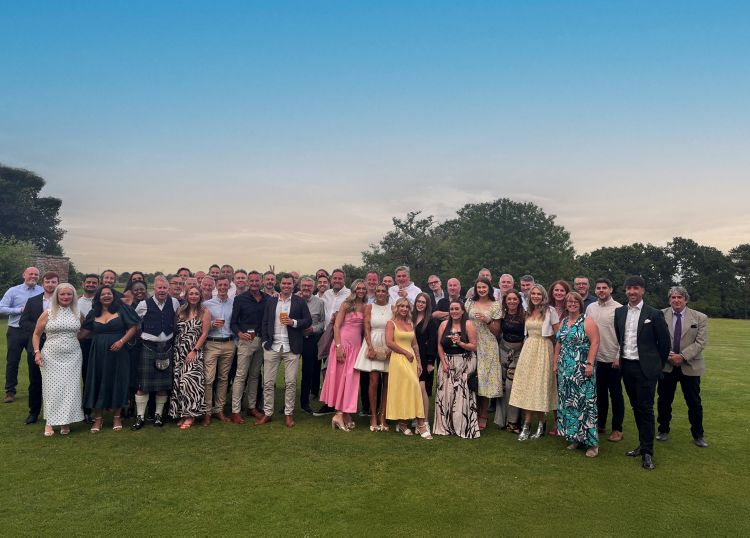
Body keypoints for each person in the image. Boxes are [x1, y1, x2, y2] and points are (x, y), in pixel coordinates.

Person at [614, 276, 670, 471]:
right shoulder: (620, 312)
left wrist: (655, 365)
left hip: (646, 369)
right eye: (629, 288)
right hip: (627, 366)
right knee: (636, 407)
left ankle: (647, 452)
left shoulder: (653, 314)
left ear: (643, 290)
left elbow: (665, 344)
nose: (632, 292)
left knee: (646, 409)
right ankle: (642, 444)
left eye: (636, 288)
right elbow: (620, 337)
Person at [80, 285, 140, 432]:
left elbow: (133, 327)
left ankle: (117, 417)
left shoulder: (122, 309)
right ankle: (98, 419)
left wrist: (122, 341)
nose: (106, 296)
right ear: (98, 298)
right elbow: (83, 333)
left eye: (109, 294)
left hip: (119, 351)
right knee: (97, 381)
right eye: (103, 294)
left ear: (113, 296)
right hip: (98, 353)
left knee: (117, 381)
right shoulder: (94, 312)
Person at [657, 286, 709, 448]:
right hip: (667, 365)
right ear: (669, 300)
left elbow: (700, 342)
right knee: (664, 400)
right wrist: (668, 355)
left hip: (690, 365)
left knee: (694, 402)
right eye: (673, 297)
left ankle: (698, 435)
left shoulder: (700, 317)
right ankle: (663, 430)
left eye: (679, 297)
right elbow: (654, 338)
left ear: (686, 300)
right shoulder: (659, 315)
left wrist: (682, 356)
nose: (676, 300)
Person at [258, 274, 312, 428]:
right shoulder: (271, 301)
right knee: (268, 382)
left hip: (291, 347)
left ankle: (289, 414)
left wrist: (293, 322)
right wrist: (265, 341)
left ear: (293, 285)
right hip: (273, 346)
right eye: (284, 283)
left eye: (289, 283)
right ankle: (268, 413)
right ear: (279, 284)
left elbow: (307, 320)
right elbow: (265, 322)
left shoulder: (299, 301)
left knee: (290, 382)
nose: (286, 286)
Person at [31, 283, 85, 436]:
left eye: (69, 294)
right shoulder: (48, 313)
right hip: (51, 356)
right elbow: (36, 334)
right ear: (57, 296)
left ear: (73, 296)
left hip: (73, 356)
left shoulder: (78, 313)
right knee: (52, 389)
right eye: (62, 294)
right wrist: (37, 352)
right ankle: (49, 422)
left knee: (70, 389)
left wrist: (73, 340)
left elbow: (84, 330)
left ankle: (65, 421)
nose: (66, 297)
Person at [509, 284, 560, 441]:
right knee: (527, 386)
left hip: (544, 349)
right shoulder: (528, 311)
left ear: (543, 295)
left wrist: (555, 356)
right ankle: (526, 424)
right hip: (529, 349)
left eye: (538, 294)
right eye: (533, 294)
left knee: (539, 387)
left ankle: (541, 424)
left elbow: (559, 335)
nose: (536, 296)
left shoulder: (550, 311)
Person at [554, 292, 601, 457]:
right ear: (566, 304)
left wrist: (590, 363)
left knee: (585, 404)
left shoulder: (587, 321)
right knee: (569, 404)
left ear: (580, 304)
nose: (572, 304)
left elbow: (595, 342)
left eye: (575, 301)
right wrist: (555, 363)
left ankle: (592, 444)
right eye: (569, 302)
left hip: (582, 369)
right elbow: (559, 343)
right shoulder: (563, 322)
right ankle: (575, 437)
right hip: (565, 370)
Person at [132, 275, 180, 430]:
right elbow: (134, 323)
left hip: (167, 347)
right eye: (159, 287)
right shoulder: (143, 304)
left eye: (165, 288)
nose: (162, 290)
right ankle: (140, 417)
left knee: (163, 386)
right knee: (143, 385)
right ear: (154, 288)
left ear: (168, 289)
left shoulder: (174, 302)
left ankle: (158, 416)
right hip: (148, 347)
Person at [320, 279, 367, 431]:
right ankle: (338, 414)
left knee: (351, 380)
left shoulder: (366, 306)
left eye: (363, 288)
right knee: (341, 379)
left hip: (356, 347)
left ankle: (345, 413)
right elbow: (336, 326)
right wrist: (338, 347)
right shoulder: (346, 304)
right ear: (354, 290)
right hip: (342, 345)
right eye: (358, 288)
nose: (361, 291)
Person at [385, 298, 431, 439]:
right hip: (398, 359)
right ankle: (421, 424)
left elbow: (415, 344)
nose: (404, 309)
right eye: (401, 306)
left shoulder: (410, 324)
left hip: (411, 360)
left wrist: (419, 362)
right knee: (412, 387)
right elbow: (389, 343)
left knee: (407, 389)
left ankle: (403, 423)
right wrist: (405, 353)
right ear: (397, 308)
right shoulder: (391, 323)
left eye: (406, 307)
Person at [585, 278, 624, 442]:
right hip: (596, 359)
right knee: (599, 394)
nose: (601, 290)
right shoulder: (590, 308)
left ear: (611, 289)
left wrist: (619, 356)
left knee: (615, 395)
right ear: (595, 290)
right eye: (598, 288)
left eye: (604, 288)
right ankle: (600, 424)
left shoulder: (619, 309)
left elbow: (624, 334)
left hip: (612, 358)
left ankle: (617, 429)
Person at [433, 299, 479, 439]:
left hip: (464, 362)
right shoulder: (443, 325)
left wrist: (460, 343)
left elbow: (474, 346)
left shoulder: (468, 324)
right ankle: (446, 426)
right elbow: (439, 345)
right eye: (452, 309)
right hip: (447, 362)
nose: (454, 311)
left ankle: (462, 426)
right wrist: (443, 362)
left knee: (461, 395)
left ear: (462, 311)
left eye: (457, 309)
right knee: (446, 394)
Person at [19, 271, 59, 424]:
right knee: (35, 380)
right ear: (43, 284)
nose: (50, 284)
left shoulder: (63, 301)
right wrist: (40, 330)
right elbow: (23, 322)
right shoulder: (32, 301)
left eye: (53, 282)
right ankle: (33, 412)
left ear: (58, 284)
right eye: (47, 282)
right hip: (36, 345)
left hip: (56, 346)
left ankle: (56, 412)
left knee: (56, 380)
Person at [169, 285, 211, 429]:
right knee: (179, 383)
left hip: (194, 350)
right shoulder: (180, 310)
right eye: (191, 293)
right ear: (186, 296)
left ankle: (191, 415)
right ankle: (182, 413)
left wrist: (194, 350)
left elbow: (204, 334)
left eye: (196, 294)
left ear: (200, 296)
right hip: (179, 351)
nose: (193, 296)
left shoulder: (204, 312)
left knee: (190, 382)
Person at [229, 270, 268, 422]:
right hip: (246, 341)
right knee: (241, 375)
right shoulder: (240, 299)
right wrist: (240, 334)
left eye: (257, 280)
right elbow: (233, 323)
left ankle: (252, 407)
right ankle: (235, 410)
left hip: (261, 341)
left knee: (254, 375)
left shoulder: (267, 298)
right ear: (247, 282)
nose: (254, 283)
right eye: (251, 281)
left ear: (261, 282)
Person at [464, 277, 502, 430]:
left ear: (489, 288)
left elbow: (497, 331)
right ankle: (471, 411)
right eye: (479, 287)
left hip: (488, 346)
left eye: (484, 287)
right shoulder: (469, 303)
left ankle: (483, 415)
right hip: (471, 342)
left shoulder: (495, 305)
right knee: (471, 377)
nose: (481, 290)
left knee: (484, 380)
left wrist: (488, 320)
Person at [1, 267, 42, 405]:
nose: (33, 276)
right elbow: (1, 308)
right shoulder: (13, 291)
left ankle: (37, 390)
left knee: (35, 361)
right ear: (24, 275)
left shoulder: (42, 291)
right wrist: (19, 310)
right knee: (13, 361)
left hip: (34, 332)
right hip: (16, 331)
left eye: (36, 274)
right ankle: (10, 391)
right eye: (31, 274)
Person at [353, 283, 391, 430]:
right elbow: (367, 328)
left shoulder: (393, 308)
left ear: (387, 293)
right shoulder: (369, 307)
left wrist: (392, 348)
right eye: (378, 291)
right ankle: (373, 415)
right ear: (375, 293)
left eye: (383, 291)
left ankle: (383, 416)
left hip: (388, 344)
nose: (380, 293)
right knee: (374, 381)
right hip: (373, 342)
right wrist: (370, 347)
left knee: (387, 383)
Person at [201, 276, 235, 426]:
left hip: (228, 343)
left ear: (229, 286)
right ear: (216, 286)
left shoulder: (234, 303)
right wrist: (212, 324)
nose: (222, 287)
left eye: (225, 285)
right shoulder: (206, 305)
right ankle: (207, 411)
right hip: (212, 343)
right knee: (208, 379)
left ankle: (219, 409)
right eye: (220, 285)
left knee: (223, 378)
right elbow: (200, 325)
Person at [494, 289, 526, 432]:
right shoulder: (502, 315)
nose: (512, 301)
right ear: (505, 301)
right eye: (509, 299)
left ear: (519, 301)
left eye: (514, 299)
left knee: (511, 386)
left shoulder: (525, 316)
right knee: (501, 386)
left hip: (518, 353)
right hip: (503, 351)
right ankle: (501, 420)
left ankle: (513, 421)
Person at [299, 276, 326, 414]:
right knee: (290, 373)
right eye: (304, 285)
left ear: (314, 288)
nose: (306, 288)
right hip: (294, 339)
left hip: (310, 340)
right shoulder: (294, 300)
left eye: (309, 286)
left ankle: (305, 403)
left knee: (307, 372)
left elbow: (322, 322)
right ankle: (288, 403)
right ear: (300, 286)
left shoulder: (319, 303)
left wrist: (313, 329)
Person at [413, 292, 437, 430]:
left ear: (427, 305)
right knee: (412, 388)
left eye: (423, 302)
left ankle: (425, 420)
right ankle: (415, 417)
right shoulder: (411, 317)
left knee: (422, 388)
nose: (420, 304)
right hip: (410, 356)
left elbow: (433, 342)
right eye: (418, 301)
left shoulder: (431, 321)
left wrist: (430, 362)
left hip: (423, 357)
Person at [78, 273, 99, 422]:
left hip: (96, 342)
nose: (91, 284)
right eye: (88, 282)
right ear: (83, 284)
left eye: (94, 282)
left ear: (98, 285)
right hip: (79, 342)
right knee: (78, 376)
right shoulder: (75, 302)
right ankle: (79, 409)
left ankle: (89, 409)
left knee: (91, 377)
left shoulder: (101, 302)